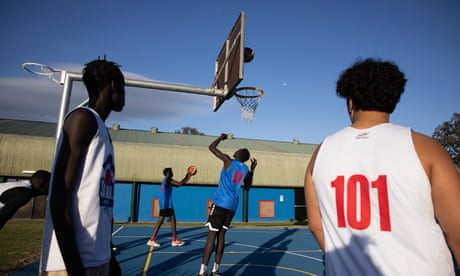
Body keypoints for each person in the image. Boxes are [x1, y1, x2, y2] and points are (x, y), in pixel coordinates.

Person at [304, 58, 460, 275]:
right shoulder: (427, 148)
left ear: (350, 102)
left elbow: (316, 226)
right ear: (392, 101)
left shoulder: (320, 153)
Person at [40, 58, 126, 275]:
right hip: (73, 263)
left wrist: (110, 261)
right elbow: (59, 199)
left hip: (98, 258)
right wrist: (75, 269)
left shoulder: (101, 130)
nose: (125, 93)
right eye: (123, 87)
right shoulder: (82, 119)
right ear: (114, 85)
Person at [198, 133, 257, 276]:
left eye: (238, 150)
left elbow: (211, 147)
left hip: (220, 203)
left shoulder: (228, 161)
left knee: (211, 236)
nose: (235, 150)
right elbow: (247, 187)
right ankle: (216, 270)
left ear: (239, 154)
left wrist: (220, 138)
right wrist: (253, 168)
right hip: (232, 205)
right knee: (222, 236)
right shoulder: (245, 170)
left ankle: (202, 270)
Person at [147, 167, 193, 247]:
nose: (172, 172)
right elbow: (179, 183)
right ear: (167, 173)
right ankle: (152, 239)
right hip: (165, 203)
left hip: (166, 203)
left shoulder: (167, 181)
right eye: (170, 172)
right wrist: (187, 176)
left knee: (172, 219)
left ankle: (174, 239)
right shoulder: (167, 180)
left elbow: (178, 185)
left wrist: (187, 177)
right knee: (161, 221)